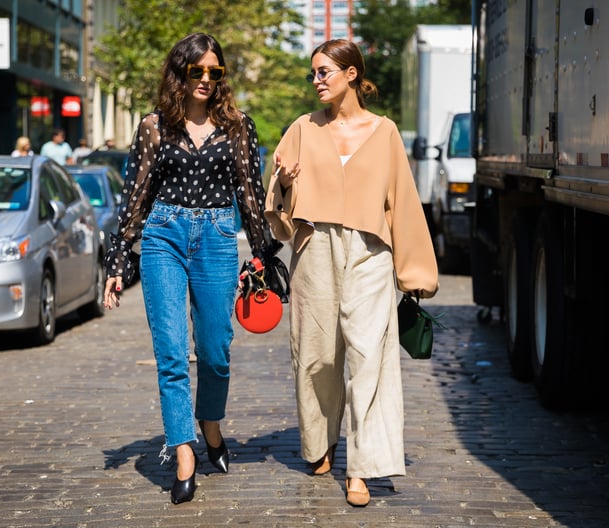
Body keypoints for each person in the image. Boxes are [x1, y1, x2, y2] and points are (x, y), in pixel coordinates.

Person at [102, 32, 279, 505]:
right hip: (163, 236)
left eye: (214, 72)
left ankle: (210, 425)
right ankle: (184, 452)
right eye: (196, 70)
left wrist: (264, 254)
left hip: (219, 240)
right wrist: (118, 259)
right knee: (172, 352)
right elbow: (134, 197)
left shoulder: (239, 125)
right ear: (178, 73)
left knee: (217, 349)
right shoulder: (154, 126)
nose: (205, 79)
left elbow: (250, 194)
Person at [265, 39, 439, 507]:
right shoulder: (301, 128)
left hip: (370, 251)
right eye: (313, 73)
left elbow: (402, 202)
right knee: (317, 355)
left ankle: (362, 467)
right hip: (314, 247)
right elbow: (277, 212)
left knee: (369, 359)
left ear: (351, 74)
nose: (317, 80)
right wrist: (282, 183)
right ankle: (319, 443)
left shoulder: (385, 132)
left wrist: (415, 273)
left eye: (325, 71)